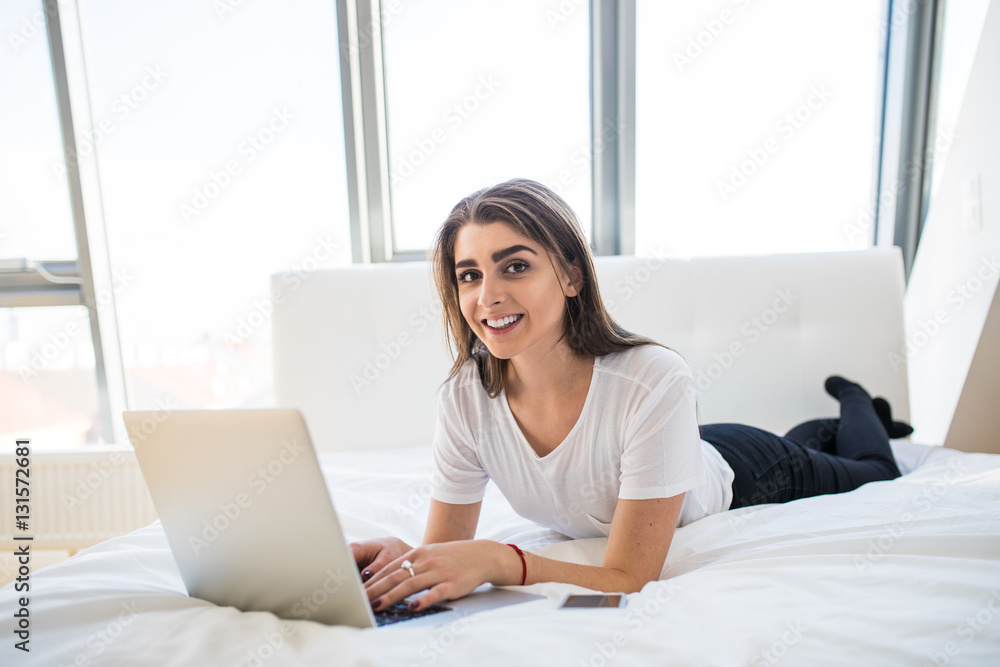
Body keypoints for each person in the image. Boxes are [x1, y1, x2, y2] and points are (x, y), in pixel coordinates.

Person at [351, 178, 909, 613]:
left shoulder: (653, 378)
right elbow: (446, 549)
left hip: (750, 470)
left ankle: (857, 403)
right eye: (469, 275)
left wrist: (505, 561)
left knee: (875, 469)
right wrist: (407, 560)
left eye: (515, 267)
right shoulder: (464, 398)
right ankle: (825, 430)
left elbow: (630, 578)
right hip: (666, 452)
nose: (488, 296)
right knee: (815, 441)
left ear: (571, 276)